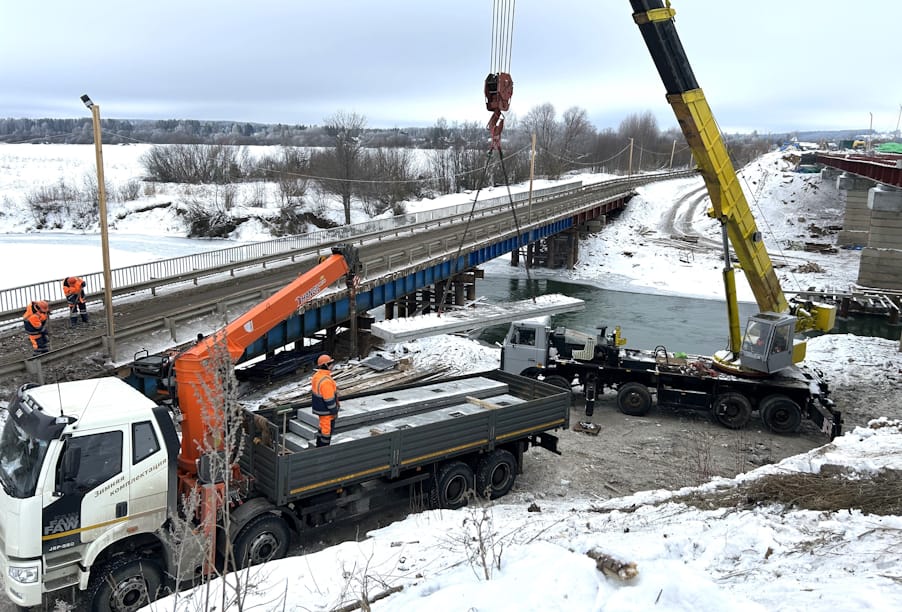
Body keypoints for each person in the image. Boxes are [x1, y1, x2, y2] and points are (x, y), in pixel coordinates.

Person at [311, 354, 340, 447]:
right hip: (327, 412)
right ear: (326, 365)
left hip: (321, 410)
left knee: (322, 429)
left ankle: (318, 446)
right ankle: (323, 450)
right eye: (331, 363)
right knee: (326, 433)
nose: (332, 366)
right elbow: (329, 400)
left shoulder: (317, 376)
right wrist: (334, 411)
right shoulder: (326, 381)